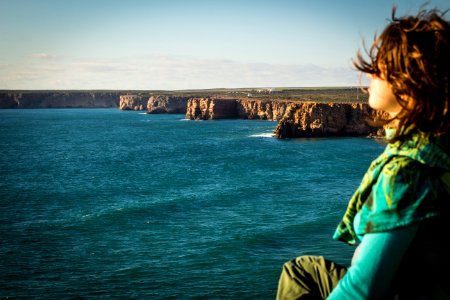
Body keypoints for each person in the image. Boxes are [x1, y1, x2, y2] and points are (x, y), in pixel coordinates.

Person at [276, 6, 449, 300]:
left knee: (298, 275)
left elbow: (363, 289)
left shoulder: (405, 172)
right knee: (301, 269)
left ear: (408, 83)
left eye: (378, 68)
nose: (366, 73)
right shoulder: (438, 150)